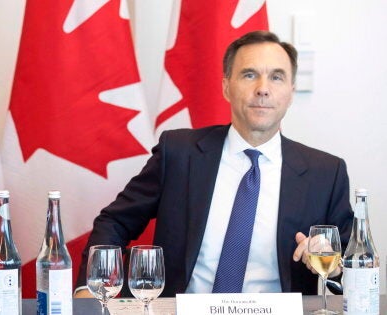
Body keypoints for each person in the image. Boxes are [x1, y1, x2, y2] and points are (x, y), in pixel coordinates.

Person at [76, 30, 353, 296]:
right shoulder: (178, 153)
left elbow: (352, 267)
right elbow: (115, 222)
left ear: (291, 92)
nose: (263, 89)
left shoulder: (326, 174)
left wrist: (333, 264)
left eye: (277, 77)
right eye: (249, 74)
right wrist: (91, 288)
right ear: (226, 87)